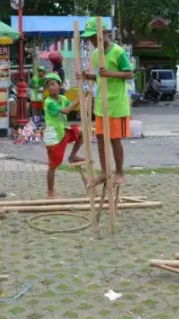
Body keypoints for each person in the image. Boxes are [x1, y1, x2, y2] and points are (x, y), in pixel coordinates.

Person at [80, 17, 134, 187]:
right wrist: (87, 76)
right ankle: (104, 172)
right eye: (89, 38)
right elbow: (99, 77)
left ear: (104, 34)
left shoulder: (118, 52)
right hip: (101, 106)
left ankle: (119, 172)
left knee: (115, 140)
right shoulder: (96, 55)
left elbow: (129, 74)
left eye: (94, 37)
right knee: (101, 138)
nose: (92, 41)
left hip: (117, 104)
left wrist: (110, 73)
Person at [43, 73, 83, 198]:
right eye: (49, 85)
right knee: (53, 165)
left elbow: (72, 107)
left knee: (82, 133)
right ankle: (50, 191)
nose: (51, 88)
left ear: (59, 85)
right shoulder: (49, 102)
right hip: (54, 137)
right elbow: (66, 110)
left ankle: (73, 156)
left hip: (63, 132)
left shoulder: (62, 98)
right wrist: (78, 100)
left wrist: (83, 98)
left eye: (53, 84)